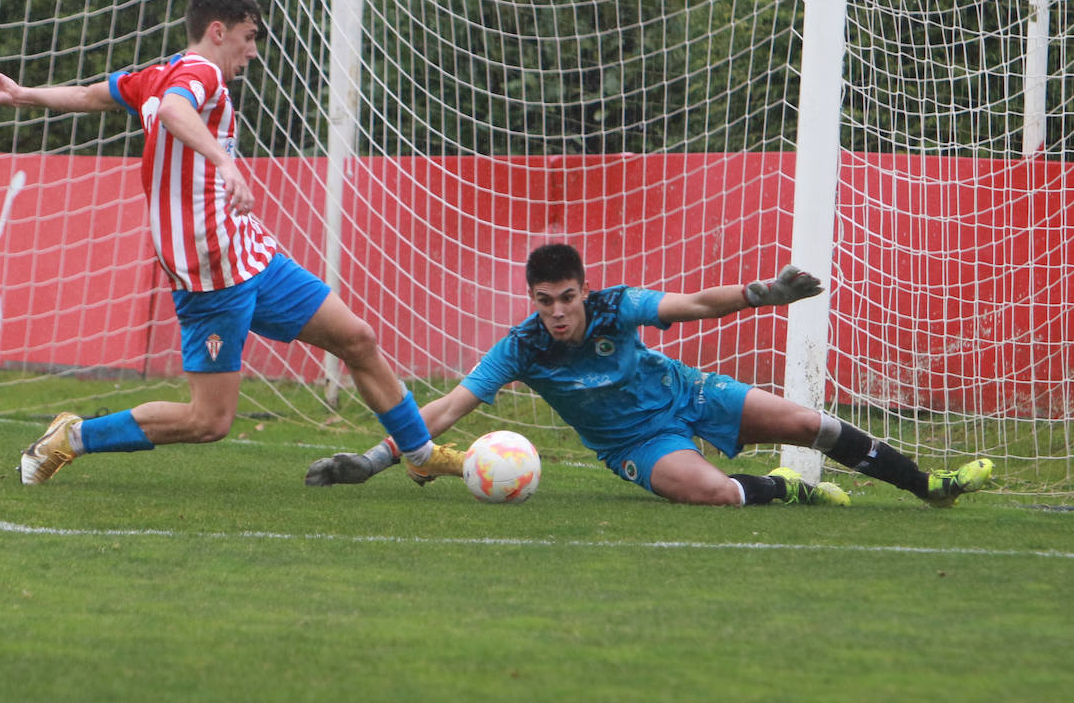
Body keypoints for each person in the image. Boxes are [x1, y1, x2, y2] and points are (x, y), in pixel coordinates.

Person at [0, 0, 461, 484]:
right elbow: (173, 111)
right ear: (217, 31)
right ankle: (73, 436)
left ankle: (419, 453)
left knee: (356, 339)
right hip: (210, 272)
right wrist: (224, 163)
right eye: (248, 38)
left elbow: (87, 94)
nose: (253, 52)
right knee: (208, 421)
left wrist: (24, 94)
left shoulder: (157, 74)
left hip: (248, 254)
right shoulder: (200, 72)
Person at [305, 242, 994, 508]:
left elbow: (692, 305)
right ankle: (787, 489)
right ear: (532, 300)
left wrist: (760, 294)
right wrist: (376, 458)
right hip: (636, 444)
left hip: (689, 392)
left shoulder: (616, 306)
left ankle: (927, 486)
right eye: (544, 302)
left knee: (808, 422)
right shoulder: (522, 348)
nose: (557, 312)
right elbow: (448, 408)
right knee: (714, 494)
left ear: (584, 289)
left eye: (567, 298)